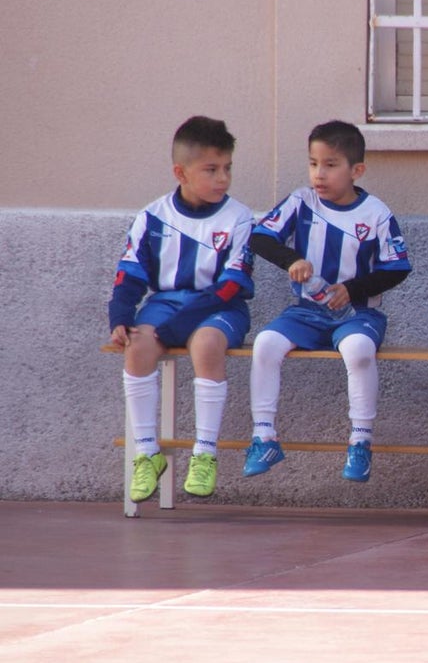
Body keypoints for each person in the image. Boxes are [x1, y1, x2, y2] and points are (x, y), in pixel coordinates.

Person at [241, 120, 411, 482]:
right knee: (266, 345)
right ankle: (264, 437)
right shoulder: (301, 201)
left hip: (357, 314)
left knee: (359, 351)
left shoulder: (376, 214)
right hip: (305, 313)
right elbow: (258, 238)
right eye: (314, 163)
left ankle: (360, 442)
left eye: (331, 165)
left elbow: (398, 268)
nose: (319, 174)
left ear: (356, 170)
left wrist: (353, 289)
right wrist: (292, 261)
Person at [109, 116, 254, 502]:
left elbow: (231, 284)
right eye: (211, 170)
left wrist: (178, 326)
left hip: (220, 307)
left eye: (227, 169)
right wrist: (121, 318)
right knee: (137, 346)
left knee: (206, 345)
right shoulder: (153, 217)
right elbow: (129, 275)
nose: (222, 178)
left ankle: (205, 453)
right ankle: (147, 454)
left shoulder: (239, 217)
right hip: (165, 304)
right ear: (181, 172)